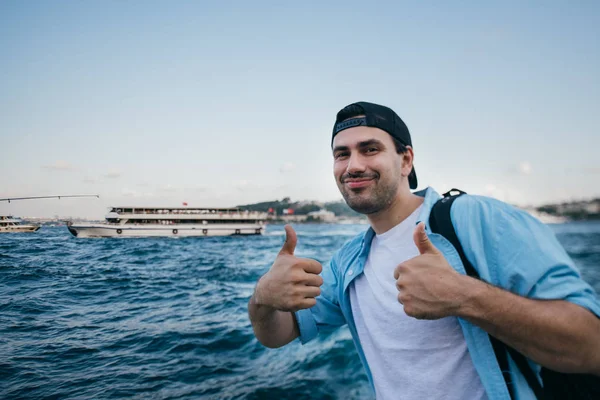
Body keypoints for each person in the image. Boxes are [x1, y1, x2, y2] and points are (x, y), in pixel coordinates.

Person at [248, 101, 600, 399]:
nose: (353, 165)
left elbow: (590, 345)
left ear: (406, 160)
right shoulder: (348, 263)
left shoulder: (478, 219)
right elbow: (278, 334)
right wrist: (263, 299)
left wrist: (465, 297)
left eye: (370, 149)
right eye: (342, 154)